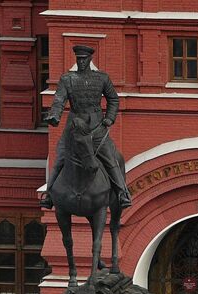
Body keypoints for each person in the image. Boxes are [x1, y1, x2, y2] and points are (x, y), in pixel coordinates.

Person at [40, 45, 131, 210]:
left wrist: (109, 118)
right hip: (74, 125)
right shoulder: (67, 79)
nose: (81, 62)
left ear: (90, 60)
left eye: (84, 59)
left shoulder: (101, 78)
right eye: (79, 59)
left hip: (96, 126)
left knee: (110, 158)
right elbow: (59, 100)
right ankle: (49, 194)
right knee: (60, 156)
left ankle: (122, 193)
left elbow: (113, 99)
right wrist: (55, 116)